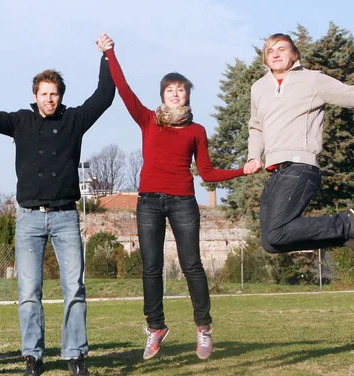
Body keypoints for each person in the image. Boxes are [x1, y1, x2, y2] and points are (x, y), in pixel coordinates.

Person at [0, 34, 115, 376]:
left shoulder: (73, 120)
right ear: (35, 96)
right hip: (28, 219)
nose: (49, 99)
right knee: (29, 292)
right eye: (44, 94)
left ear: (60, 96)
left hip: (65, 217)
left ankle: (75, 355)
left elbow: (104, 97)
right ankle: (33, 356)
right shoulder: (20, 121)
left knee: (74, 288)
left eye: (54, 94)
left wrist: (107, 56)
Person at [101, 34, 248, 361]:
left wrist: (243, 170)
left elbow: (207, 173)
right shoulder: (148, 119)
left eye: (181, 89)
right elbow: (123, 90)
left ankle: (204, 329)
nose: (176, 93)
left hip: (182, 200)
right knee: (151, 267)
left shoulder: (196, 131)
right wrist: (110, 53)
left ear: (187, 96)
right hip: (149, 201)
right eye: (170, 90)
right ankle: (156, 328)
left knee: (191, 264)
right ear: (163, 96)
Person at [244, 33, 354, 260]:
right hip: (276, 171)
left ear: (294, 54)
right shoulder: (258, 88)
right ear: (265, 58)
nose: (276, 54)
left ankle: (345, 223)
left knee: (278, 232)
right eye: (270, 50)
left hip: (300, 167)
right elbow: (256, 127)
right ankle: (342, 236)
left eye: (282, 49)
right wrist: (253, 156)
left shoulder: (312, 81)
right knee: (271, 242)